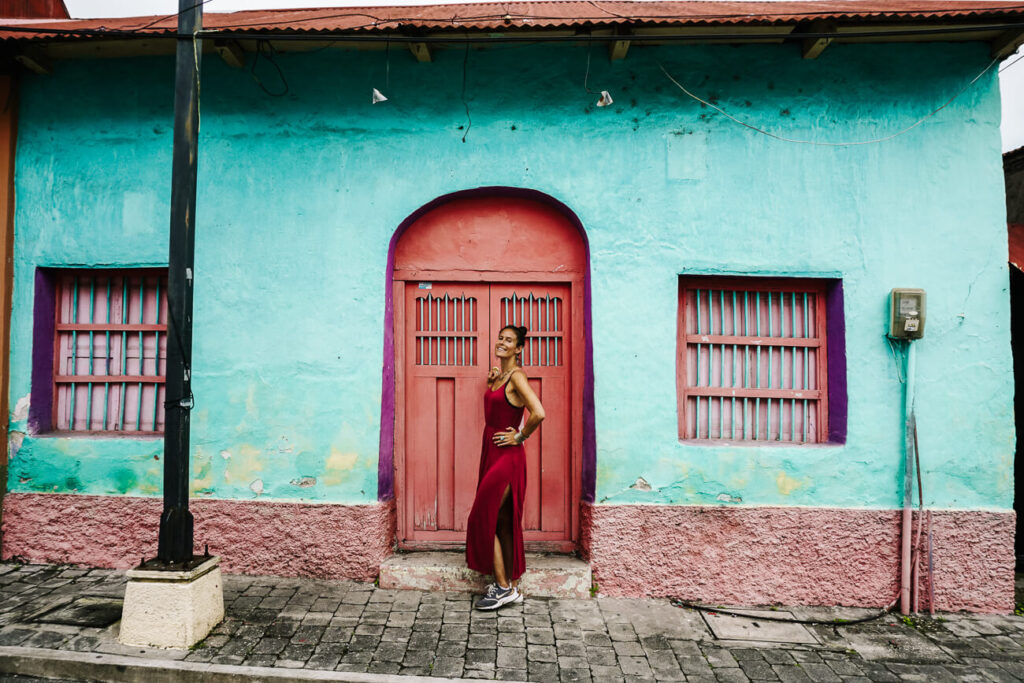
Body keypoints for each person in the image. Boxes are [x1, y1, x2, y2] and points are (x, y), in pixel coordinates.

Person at [465, 324, 545, 610]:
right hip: (491, 452)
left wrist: (520, 435)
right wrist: (492, 383)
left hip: (508, 457)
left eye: (509, 340)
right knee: (501, 522)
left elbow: (539, 412)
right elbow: (500, 405)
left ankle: (501, 589)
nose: (502, 342)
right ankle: (510, 586)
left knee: (479, 518)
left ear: (519, 349)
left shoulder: (518, 377)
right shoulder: (501, 377)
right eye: (500, 338)